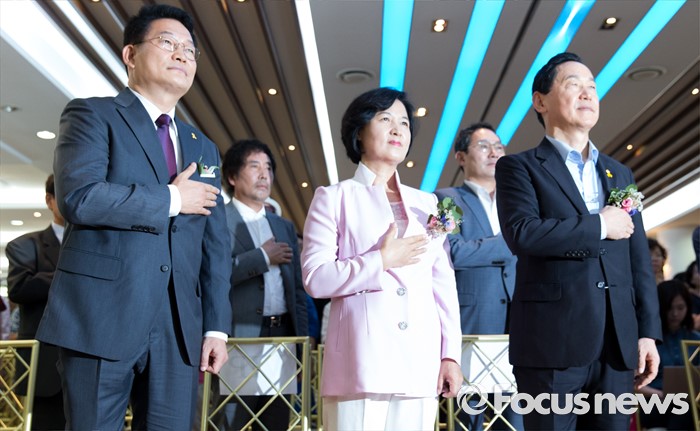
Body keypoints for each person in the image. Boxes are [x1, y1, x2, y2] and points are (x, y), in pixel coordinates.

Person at [35, 5, 232, 430]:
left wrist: (217, 327)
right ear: (130, 54)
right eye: (167, 42)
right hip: (100, 316)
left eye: (190, 50)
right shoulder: (92, 114)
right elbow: (81, 197)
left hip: (178, 329)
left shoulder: (204, 146)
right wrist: (172, 199)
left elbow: (215, 247)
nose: (181, 55)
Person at [495, 52, 662, 430]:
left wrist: (648, 332)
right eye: (573, 85)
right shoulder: (519, 167)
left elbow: (638, 258)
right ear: (540, 101)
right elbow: (523, 234)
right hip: (551, 345)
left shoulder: (619, 173)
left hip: (617, 345)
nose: (587, 94)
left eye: (592, 87)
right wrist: (599, 225)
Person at [301, 87, 463, 431]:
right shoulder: (334, 198)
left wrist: (450, 354)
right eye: (385, 119)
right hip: (360, 360)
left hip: (419, 359)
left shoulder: (428, 204)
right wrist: (380, 261)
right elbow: (316, 278)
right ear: (359, 131)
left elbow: (443, 285)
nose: (397, 129)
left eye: (404, 123)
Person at [435, 123, 522, 430]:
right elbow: (454, 252)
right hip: (473, 321)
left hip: (521, 321)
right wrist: (514, 242)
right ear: (461, 157)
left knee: (515, 419)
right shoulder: (445, 199)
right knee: (467, 418)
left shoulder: (519, 201)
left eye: (498, 147)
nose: (494, 153)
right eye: (484, 146)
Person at [217, 139, 309, 430]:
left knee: (276, 421)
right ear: (232, 177)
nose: (264, 175)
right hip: (238, 339)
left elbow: (296, 292)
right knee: (232, 421)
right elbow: (213, 276)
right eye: (254, 166)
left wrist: (302, 344)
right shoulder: (218, 220)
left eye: (268, 168)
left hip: (282, 339)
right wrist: (262, 257)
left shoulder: (283, 226)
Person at [6, 174, 65, 430]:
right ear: (50, 200)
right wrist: (74, 274)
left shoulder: (101, 245)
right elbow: (19, 288)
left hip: (94, 365)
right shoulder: (24, 246)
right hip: (45, 367)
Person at [638, 280, 699, 430]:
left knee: (684, 407)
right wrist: (661, 394)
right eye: (669, 308)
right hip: (654, 401)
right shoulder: (647, 341)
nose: (675, 314)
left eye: (680, 308)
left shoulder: (694, 339)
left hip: (689, 399)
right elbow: (633, 384)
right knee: (683, 409)